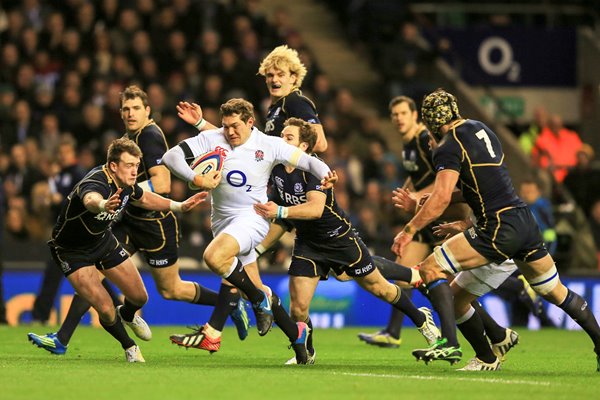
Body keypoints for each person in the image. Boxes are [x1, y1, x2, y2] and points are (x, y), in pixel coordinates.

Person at [28, 86, 250, 353]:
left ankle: (229, 304)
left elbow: (163, 182)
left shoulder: (150, 137)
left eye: (136, 108)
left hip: (154, 224)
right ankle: (62, 339)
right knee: (93, 274)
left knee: (171, 289)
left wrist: (124, 192)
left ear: (148, 110)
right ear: (120, 113)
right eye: (125, 109)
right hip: (128, 221)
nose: (130, 113)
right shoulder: (129, 138)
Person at [392, 89, 600, 371]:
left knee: (430, 269)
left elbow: (440, 198)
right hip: (522, 220)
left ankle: (455, 346)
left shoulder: (448, 145)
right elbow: (480, 184)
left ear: (429, 120)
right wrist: (453, 214)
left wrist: (408, 230)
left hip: (497, 226)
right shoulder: (482, 129)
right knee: (555, 291)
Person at [162, 98, 337, 364]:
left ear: (250, 122)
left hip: (252, 219)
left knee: (214, 257)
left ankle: (253, 304)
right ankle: (297, 335)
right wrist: (195, 178)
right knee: (252, 286)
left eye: (235, 126)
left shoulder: (269, 144)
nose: (230, 132)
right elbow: (170, 156)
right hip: (222, 222)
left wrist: (326, 175)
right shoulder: (213, 137)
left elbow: (311, 163)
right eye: (226, 126)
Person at [253, 118, 441, 364]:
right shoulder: (277, 170)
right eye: (281, 136)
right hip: (308, 243)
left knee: (379, 288)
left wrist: (278, 211)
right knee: (298, 307)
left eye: (289, 137)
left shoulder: (314, 169)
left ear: (305, 147)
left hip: (338, 238)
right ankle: (305, 354)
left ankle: (420, 319)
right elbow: (284, 220)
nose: (282, 141)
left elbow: (315, 209)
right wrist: (259, 248)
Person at [28, 138, 207, 362]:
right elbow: (90, 199)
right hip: (71, 251)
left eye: (136, 165)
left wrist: (179, 206)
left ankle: (127, 314)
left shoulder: (126, 183)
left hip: (102, 242)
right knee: (104, 306)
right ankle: (130, 347)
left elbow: (144, 199)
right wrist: (103, 204)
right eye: (129, 165)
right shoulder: (97, 181)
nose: (135, 171)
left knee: (140, 297)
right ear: (113, 166)